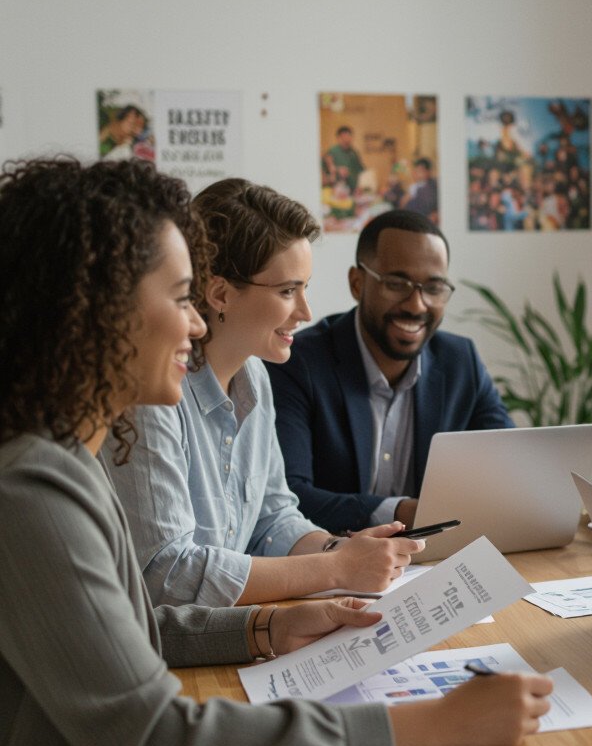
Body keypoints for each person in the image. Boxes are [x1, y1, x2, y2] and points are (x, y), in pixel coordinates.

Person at [0, 157, 553, 746]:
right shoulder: (32, 488)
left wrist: (267, 623)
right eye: (179, 296)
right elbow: (156, 744)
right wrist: (431, 723)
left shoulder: (64, 458)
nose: (195, 320)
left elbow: (126, 630)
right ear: (97, 313)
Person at [102, 178, 420, 607]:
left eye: (304, 288)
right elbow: (166, 575)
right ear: (220, 294)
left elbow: (272, 517)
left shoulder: (256, 375)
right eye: (288, 291)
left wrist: (339, 549)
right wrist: (336, 568)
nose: (306, 312)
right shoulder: (150, 396)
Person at [267, 209, 514, 533]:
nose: (416, 305)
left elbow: (511, 471)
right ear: (358, 283)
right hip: (335, 562)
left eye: (433, 287)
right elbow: (288, 498)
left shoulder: (460, 361)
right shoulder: (298, 363)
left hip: (435, 560)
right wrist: (405, 513)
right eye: (397, 284)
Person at [322, 125, 364, 193]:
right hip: (337, 190)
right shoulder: (332, 152)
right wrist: (338, 170)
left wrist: (359, 186)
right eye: (344, 137)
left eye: (349, 136)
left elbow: (360, 171)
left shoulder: (354, 153)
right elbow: (325, 170)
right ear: (338, 138)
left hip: (353, 190)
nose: (346, 139)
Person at [402, 156, 438, 221]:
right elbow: (403, 204)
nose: (418, 174)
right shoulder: (415, 186)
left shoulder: (432, 186)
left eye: (421, 171)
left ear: (428, 171)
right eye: (416, 171)